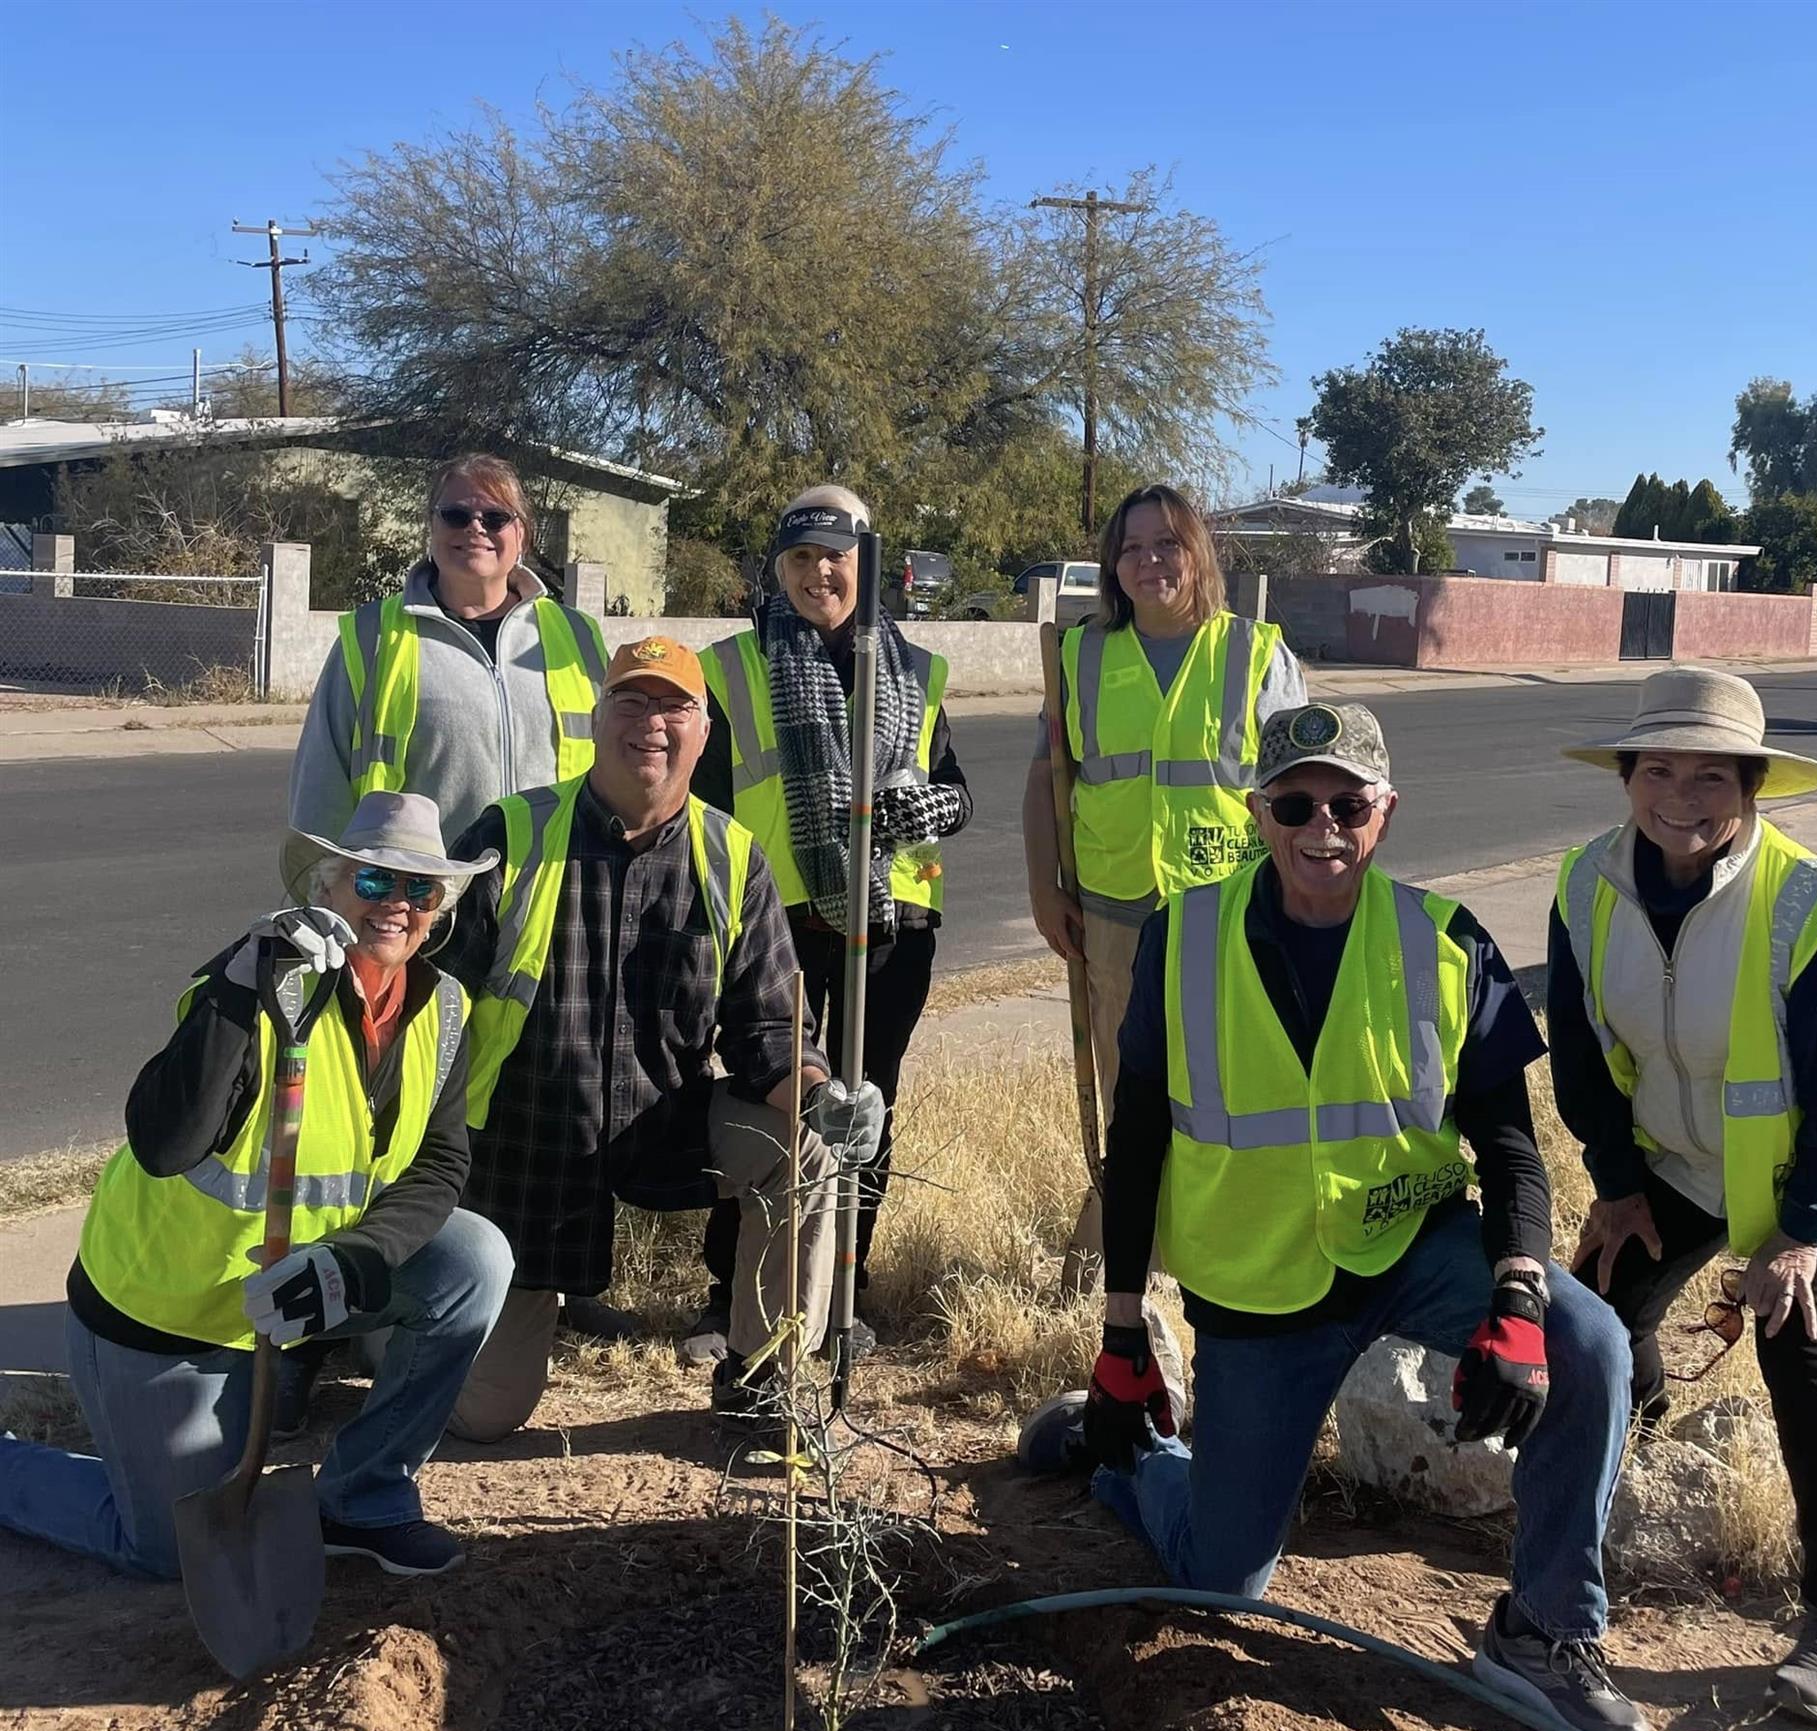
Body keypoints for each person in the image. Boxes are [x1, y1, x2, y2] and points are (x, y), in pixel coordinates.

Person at [1019, 702, 1650, 1731]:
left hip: (1410, 1245)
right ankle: (1123, 1454)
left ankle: (1544, 1629)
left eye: (1348, 802)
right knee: (1222, 1584)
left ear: (1385, 812)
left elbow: (1510, 1149)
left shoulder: (1444, 942)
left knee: (1589, 1345)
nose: (1324, 825)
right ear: (1259, 812)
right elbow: (1135, 1143)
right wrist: (1122, 1336)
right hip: (1259, 1287)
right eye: (1297, 802)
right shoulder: (1184, 939)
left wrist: (1518, 1299)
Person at [0, 793, 513, 1579]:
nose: (397, 906)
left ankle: (363, 1497)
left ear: (441, 908)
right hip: (171, 1315)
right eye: (374, 882)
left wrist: (357, 1258)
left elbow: (438, 1166)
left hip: (297, 1290)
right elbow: (165, 1143)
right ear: (329, 889)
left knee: (474, 1260)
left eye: (421, 890)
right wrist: (238, 988)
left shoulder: (444, 1009)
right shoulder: (259, 986)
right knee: (167, 1551)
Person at [1550, 665, 1817, 1731]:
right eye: (1659, 768)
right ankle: (1629, 1495)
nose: (1683, 794)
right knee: (1599, 1310)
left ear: (1752, 784)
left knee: (1793, 1339)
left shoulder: (1807, 903)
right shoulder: (1586, 885)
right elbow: (1580, 1055)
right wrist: (1617, 1189)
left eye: (1712, 773)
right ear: (1627, 777)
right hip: (1686, 1154)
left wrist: (1799, 1234)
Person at [438, 634, 886, 1436]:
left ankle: (766, 1386)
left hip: (665, 1127)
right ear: (598, 719)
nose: (652, 722)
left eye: (675, 705)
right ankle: (391, 1326)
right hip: (524, 1152)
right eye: (632, 701)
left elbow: (770, 1032)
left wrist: (823, 1098)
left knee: (804, 1152)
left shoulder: (731, 855)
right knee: (483, 1416)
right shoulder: (511, 835)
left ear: (702, 731)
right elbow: (430, 1010)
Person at [289, 451, 630, 1357]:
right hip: (417, 913)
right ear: (429, 528)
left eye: (496, 519)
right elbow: (323, 793)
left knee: (551, 1095)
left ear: (524, 535)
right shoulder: (373, 637)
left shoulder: (576, 640)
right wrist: (326, 913)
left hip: (552, 907)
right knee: (399, 1105)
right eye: (456, 516)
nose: (476, 533)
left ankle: (549, 1280)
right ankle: (367, 1297)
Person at [687, 486, 972, 1362]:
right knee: (771, 1104)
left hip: (893, 933)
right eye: (801, 557)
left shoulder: (914, 672)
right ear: (779, 568)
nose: (820, 573)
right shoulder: (731, 669)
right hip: (774, 929)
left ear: (868, 564)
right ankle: (730, 1289)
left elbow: (957, 794)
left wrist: (923, 804)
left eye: (836, 557)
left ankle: (844, 1289)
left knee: (866, 1108)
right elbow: (701, 806)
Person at [1019, 483, 1306, 1267]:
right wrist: (1046, 889)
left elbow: (1299, 792)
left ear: (1198, 555)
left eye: (1168, 544)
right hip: (1114, 917)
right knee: (1132, 1094)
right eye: (1132, 547)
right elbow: (1048, 779)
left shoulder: (1253, 652)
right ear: (1113, 565)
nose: (1150, 561)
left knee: (1229, 1090)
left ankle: (1228, 1246)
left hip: (1230, 918)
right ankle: (1129, 1260)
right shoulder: (1079, 654)